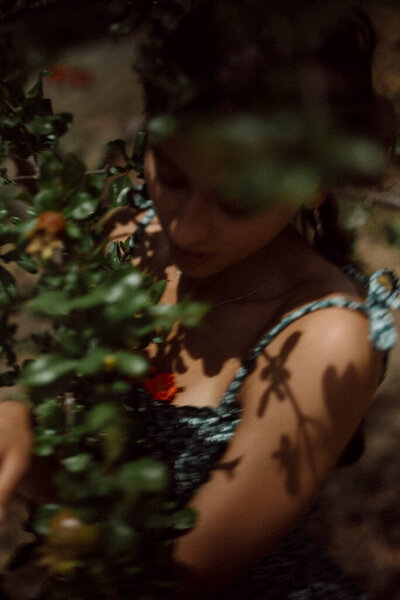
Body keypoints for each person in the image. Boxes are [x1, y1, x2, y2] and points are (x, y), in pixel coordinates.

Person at [0, 1, 398, 598]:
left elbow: (179, 577)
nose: (186, 229)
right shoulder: (126, 241)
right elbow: (92, 486)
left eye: (237, 200)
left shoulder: (325, 339)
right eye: (174, 176)